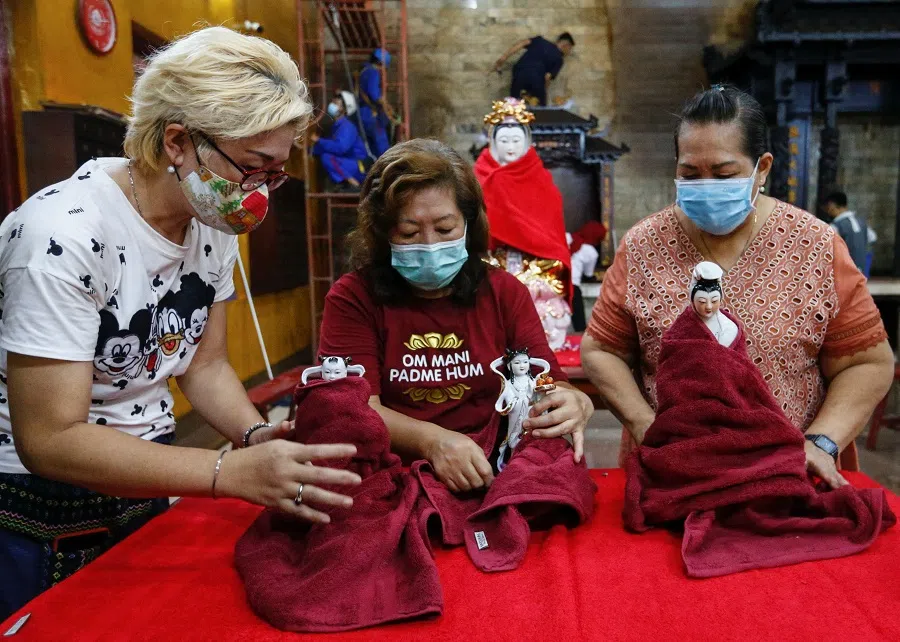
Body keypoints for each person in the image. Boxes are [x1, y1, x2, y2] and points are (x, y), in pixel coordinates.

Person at [0, 27, 361, 619]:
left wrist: (255, 437)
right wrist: (225, 471)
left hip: (151, 479)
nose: (259, 194)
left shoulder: (210, 223)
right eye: (252, 168)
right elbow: (50, 439)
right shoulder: (61, 237)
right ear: (176, 141)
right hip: (45, 511)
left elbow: (205, 365)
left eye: (274, 175)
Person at [581, 85, 893, 491]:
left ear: (762, 168)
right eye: (690, 174)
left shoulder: (815, 245)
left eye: (724, 174)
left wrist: (821, 441)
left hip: (788, 479)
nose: (706, 186)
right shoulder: (643, 245)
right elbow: (602, 350)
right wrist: (645, 425)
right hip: (670, 478)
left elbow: (866, 362)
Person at [318, 139, 593, 493]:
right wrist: (432, 442)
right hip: (395, 467)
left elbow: (547, 382)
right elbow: (354, 408)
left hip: (491, 460)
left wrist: (575, 402)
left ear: (468, 223)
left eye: (445, 229)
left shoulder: (503, 292)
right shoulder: (354, 298)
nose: (430, 245)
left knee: (555, 474)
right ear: (383, 232)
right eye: (409, 232)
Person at [492, 33, 575, 106]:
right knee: (541, 109)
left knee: (515, 104)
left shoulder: (540, 41)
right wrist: (542, 93)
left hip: (519, 73)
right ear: (566, 45)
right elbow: (547, 77)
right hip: (536, 79)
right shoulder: (559, 59)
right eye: (570, 49)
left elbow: (522, 43)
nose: (569, 52)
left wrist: (504, 57)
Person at [311, 91, 367, 192]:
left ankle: (354, 184)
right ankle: (346, 183)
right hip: (348, 163)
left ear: (344, 109)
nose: (332, 105)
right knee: (325, 156)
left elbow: (340, 148)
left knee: (327, 158)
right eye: (333, 102)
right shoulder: (337, 126)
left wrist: (319, 140)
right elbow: (329, 146)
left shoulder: (347, 127)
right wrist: (312, 150)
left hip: (357, 166)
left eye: (336, 103)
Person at [822, 190, 875, 276]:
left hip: (844, 274)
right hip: (861, 273)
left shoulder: (836, 226)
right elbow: (872, 238)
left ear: (832, 205)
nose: (827, 210)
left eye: (828, 206)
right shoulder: (862, 223)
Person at [358, 48, 395, 158]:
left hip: (362, 112)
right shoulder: (373, 72)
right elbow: (374, 95)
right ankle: (387, 164)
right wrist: (386, 106)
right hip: (370, 113)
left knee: (370, 145)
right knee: (381, 144)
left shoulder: (364, 70)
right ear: (380, 63)